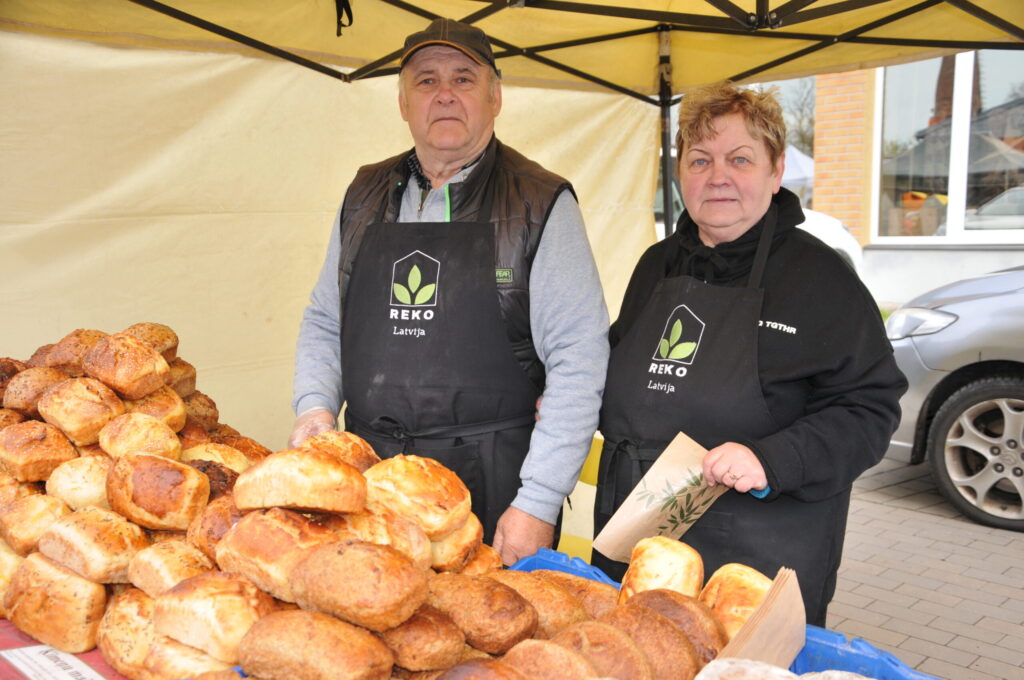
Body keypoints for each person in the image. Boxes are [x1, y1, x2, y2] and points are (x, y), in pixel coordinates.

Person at [290, 18, 609, 565]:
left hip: (490, 487)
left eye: (463, 78)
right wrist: (314, 408)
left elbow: (579, 359)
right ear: (403, 102)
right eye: (426, 80)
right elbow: (325, 320)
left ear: (495, 96)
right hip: (372, 477)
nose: (444, 94)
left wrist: (537, 501)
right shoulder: (364, 194)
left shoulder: (540, 203)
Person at [591, 82, 907, 625]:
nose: (718, 176)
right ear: (679, 173)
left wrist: (772, 458)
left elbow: (870, 409)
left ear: (775, 171)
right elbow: (619, 366)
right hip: (640, 544)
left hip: (753, 554)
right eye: (700, 160)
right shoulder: (656, 265)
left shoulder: (822, 278)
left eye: (739, 159)